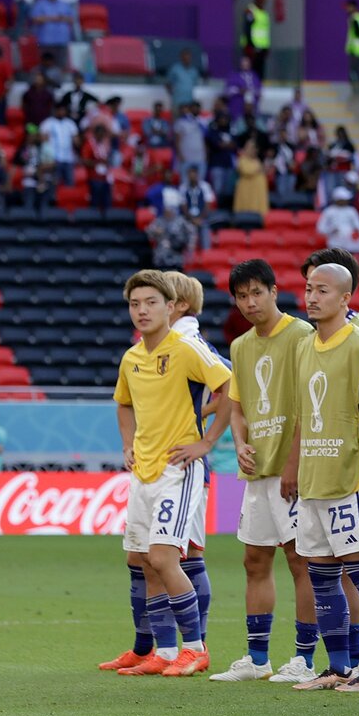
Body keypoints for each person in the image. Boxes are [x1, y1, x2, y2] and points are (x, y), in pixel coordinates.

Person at [105, 271, 231, 678]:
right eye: (134, 304)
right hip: (142, 470)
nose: (142, 311)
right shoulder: (132, 357)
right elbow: (123, 403)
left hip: (179, 469)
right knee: (143, 560)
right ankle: (163, 650)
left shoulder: (186, 347)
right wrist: (128, 444)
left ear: (171, 306)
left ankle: (195, 648)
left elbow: (230, 386)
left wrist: (207, 442)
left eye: (151, 303)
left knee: (163, 556)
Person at [284, 262, 359, 692]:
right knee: (320, 575)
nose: (312, 297)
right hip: (314, 478)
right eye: (309, 289)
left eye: (323, 290)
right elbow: (303, 415)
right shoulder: (304, 346)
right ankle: (337, 667)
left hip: (350, 478)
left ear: (346, 298)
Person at [208, 259, 321, 684]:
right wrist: (239, 444)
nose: (250, 302)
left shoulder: (301, 335)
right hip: (258, 473)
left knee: (300, 560)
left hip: (293, 469)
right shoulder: (240, 346)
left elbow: (310, 403)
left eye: (257, 292)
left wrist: (294, 462)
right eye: (242, 296)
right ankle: (257, 659)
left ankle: (304, 658)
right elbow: (236, 406)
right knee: (254, 559)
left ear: (274, 291)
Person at [145, 200, 194, 270]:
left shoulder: (180, 221)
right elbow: (148, 230)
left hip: (177, 252)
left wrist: (189, 244)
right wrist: (155, 231)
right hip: (162, 253)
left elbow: (192, 231)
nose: (167, 213)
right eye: (166, 211)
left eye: (169, 210)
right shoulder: (159, 221)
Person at [317, 186, 359, 253]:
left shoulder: (351, 210)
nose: (346, 201)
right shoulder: (329, 211)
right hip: (334, 244)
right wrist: (331, 230)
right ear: (337, 200)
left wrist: (355, 232)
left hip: (350, 245)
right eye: (344, 199)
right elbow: (320, 229)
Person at [233, 140, 268, 217]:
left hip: (257, 192)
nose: (254, 150)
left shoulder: (257, 160)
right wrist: (258, 169)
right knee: (246, 213)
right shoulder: (242, 159)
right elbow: (246, 170)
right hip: (247, 190)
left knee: (258, 213)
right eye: (251, 148)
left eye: (255, 148)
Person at [242, 0, 270, 79]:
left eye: (263, 0)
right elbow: (247, 28)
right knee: (250, 70)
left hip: (262, 47)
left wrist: (267, 47)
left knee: (260, 72)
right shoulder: (251, 11)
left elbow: (265, 32)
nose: (262, 2)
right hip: (252, 46)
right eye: (261, 0)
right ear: (256, 0)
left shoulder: (264, 13)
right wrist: (250, 45)